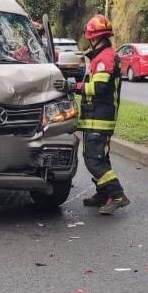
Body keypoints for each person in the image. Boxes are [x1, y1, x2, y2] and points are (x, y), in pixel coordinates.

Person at [54, 13, 128, 215]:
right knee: (98, 158)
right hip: (95, 117)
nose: (88, 40)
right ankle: (103, 194)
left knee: (93, 160)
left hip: (100, 119)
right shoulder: (101, 57)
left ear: (94, 37)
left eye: (89, 37)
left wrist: (73, 86)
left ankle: (118, 195)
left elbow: (100, 87)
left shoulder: (104, 58)